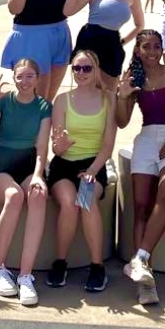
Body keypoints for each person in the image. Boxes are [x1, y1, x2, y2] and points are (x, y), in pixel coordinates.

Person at [116, 30, 165, 306]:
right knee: (141, 206)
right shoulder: (133, 79)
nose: (151, 51)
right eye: (146, 47)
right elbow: (122, 122)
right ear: (137, 50)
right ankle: (144, 284)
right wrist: (122, 96)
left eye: (156, 46)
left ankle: (140, 258)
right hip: (146, 138)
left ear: (162, 48)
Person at [0, 60, 52, 306]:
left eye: (30, 76)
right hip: (0, 162)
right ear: (14, 78)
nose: (25, 81)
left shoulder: (44, 106)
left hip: (29, 163)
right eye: (21, 77)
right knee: (14, 196)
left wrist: (39, 174)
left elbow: (42, 148)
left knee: (38, 195)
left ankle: (25, 276)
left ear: (37, 78)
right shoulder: (3, 101)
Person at [45, 50, 118, 293]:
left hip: (93, 164)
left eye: (87, 68)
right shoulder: (62, 100)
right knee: (69, 202)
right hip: (64, 165)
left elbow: (108, 146)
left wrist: (93, 171)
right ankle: (60, 262)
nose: (81, 73)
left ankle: (97, 267)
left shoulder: (109, 99)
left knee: (85, 200)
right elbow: (56, 146)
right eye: (77, 68)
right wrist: (61, 145)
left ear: (96, 70)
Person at [64, 0, 145, 91]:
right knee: (87, 88)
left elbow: (139, 25)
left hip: (112, 43)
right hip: (90, 41)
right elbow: (68, 11)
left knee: (110, 91)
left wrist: (122, 41)